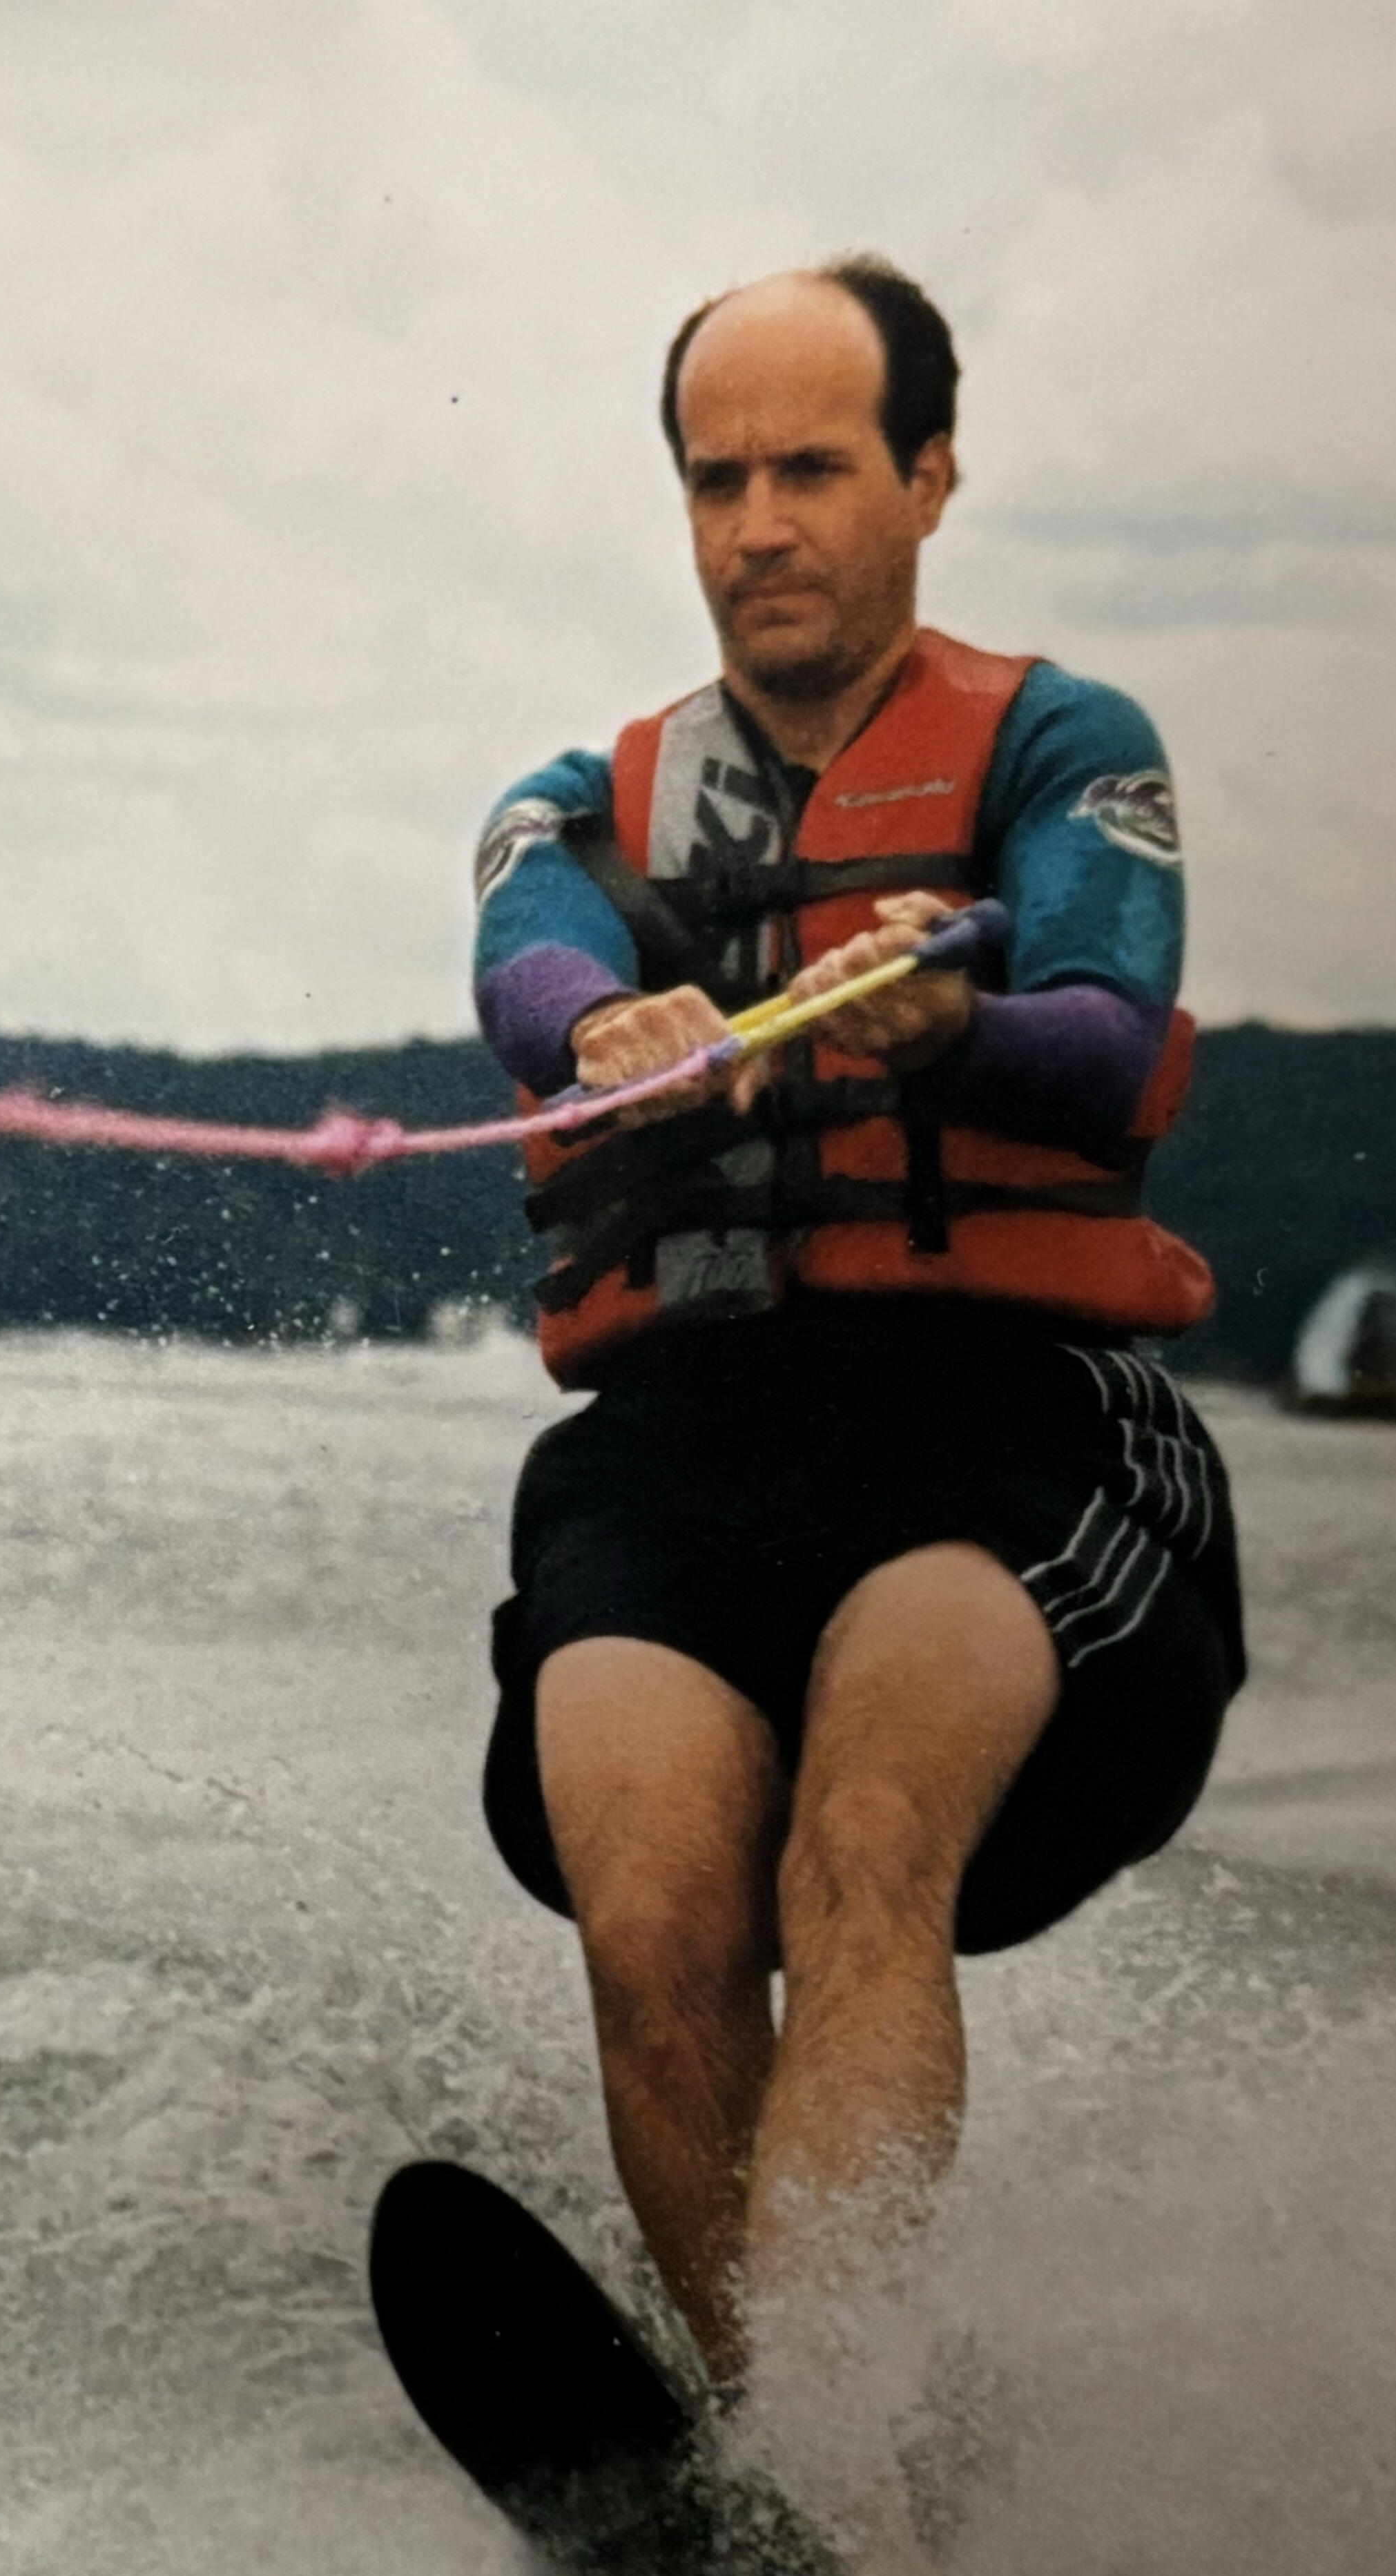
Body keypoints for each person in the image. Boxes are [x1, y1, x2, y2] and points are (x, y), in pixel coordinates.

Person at [469, 257, 1242, 2408]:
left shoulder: (1066, 751)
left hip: (997, 1437)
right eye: (717, 479)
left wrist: (953, 1024)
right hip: (692, 1438)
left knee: (864, 1849)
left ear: (930, 472)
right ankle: (787, 2474)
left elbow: (1099, 1038)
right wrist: (602, 1019)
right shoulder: (580, 799)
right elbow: (524, 949)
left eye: (812, 468)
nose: (758, 525)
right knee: (653, 1918)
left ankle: (829, 2454)